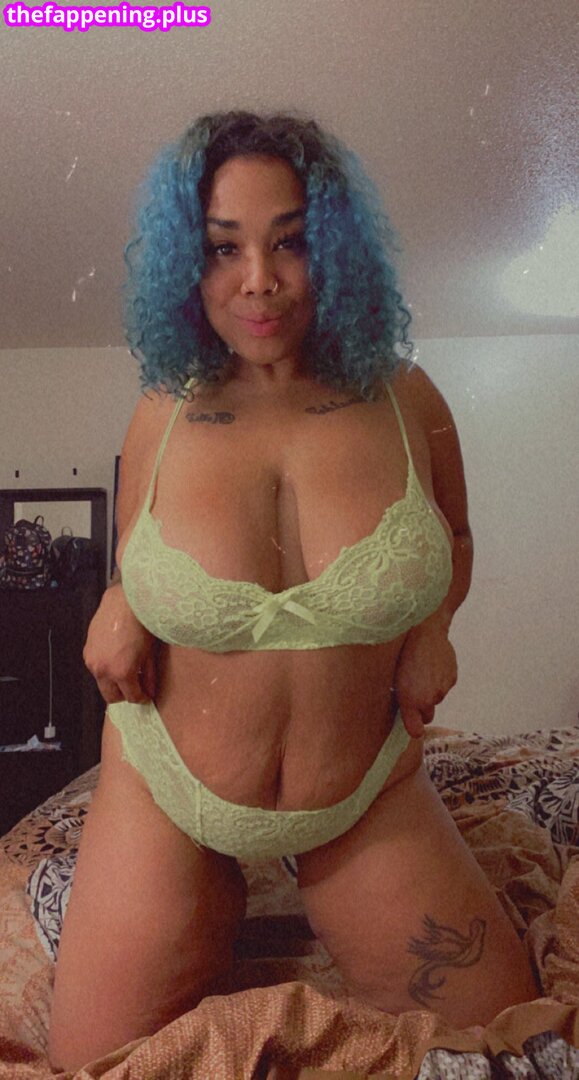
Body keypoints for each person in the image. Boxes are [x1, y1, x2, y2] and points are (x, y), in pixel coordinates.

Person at [48, 111, 536, 1071]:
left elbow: (455, 533)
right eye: (223, 247)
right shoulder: (162, 410)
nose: (258, 280)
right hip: (165, 785)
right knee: (88, 1064)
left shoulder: (406, 398)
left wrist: (432, 626)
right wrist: (117, 602)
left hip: (364, 791)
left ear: (336, 249)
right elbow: (137, 553)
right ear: (188, 264)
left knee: (508, 1044)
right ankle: (207, 890)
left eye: (290, 241)